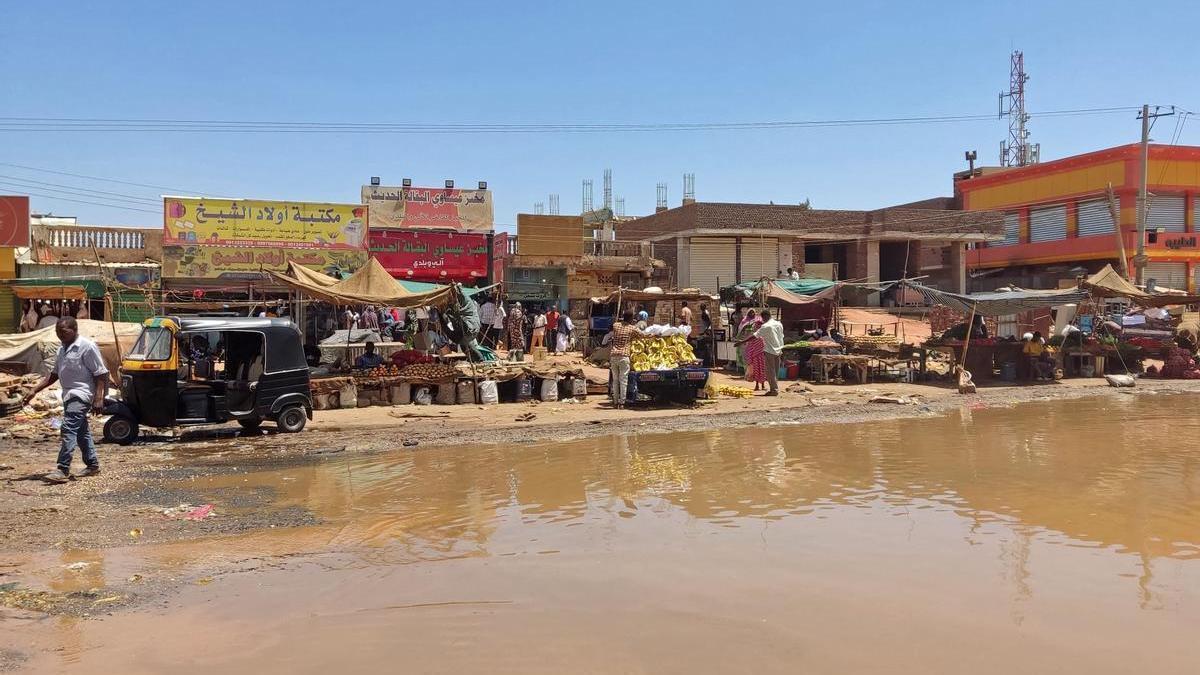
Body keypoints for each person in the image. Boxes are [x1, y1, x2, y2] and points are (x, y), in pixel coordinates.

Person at [21, 317, 108, 483]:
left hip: (81, 394)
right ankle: (92, 465)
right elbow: (53, 375)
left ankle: (62, 469)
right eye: (57, 332)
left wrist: (99, 399)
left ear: (74, 330)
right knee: (81, 431)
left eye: (63, 332)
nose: (60, 335)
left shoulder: (87, 346)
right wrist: (34, 390)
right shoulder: (62, 349)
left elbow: (101, 373)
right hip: (68, 395)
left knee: (68, 428)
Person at [737, 309, 784, 396]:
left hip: (770, 350)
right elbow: (781, 336)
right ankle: (775, 388)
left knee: (770, 371)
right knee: (775, 371)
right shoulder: (779, 324)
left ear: (764, 317)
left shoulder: (766, 326)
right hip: (779, 350)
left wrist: (742, 342)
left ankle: (774, 390)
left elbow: (754, 336)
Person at [608, 312, 644, 409]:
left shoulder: (615, 325)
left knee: (615, 380)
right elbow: (642, 335)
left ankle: (615, 401)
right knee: (623, 380)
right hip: (624, 356)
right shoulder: (632, 328)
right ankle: (622, 402)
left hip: (614, 355)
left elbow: (611, 328)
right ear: (631, 318)